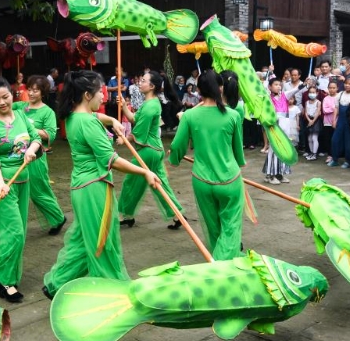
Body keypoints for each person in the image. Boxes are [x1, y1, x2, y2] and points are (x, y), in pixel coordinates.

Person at [43, 71, 160, 299]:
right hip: (95, 189)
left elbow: (94, 118)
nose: (104, 98)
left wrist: (113, 119)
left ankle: (56, 283)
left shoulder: (73, 117)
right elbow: (112, 160)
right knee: (103, 243)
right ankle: (114, 293)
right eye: (100, 93)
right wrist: (144, 171)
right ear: (87, 95)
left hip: (81, 188)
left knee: (82, 240)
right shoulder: (87, 123)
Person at [0, 76, 43, 303]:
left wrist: (31, 150)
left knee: (16, 232)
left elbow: (35, 138)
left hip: (23, 181)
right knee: (14, 233)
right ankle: (6, 281)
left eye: (5, 97)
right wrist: (0, 183)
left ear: (12, 95)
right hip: (3, 185)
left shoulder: (22, 116)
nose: (2, 102)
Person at [169, 70, 245, 260]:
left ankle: (218, 259)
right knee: (231, 227)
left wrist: (175, 159)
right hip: (230, 179)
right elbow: (238, 154)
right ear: (220, 88)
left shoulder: (189, 116)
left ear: (198, 90)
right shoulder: (233, 115)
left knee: (213, 228)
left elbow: (178, 147)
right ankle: (224, 267)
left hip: (202, 180)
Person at [117, 71, 185, 230]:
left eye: (144, 81)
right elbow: (134, 119)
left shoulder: (151, 107)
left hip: (148, 151)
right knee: (160, 184)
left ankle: (126, 215)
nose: (140, 83)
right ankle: (177, 214)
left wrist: (125, 139)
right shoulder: (149, 103)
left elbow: (140, 132)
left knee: (131, 182)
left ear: (152, 86)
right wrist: (125, 106)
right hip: (154, 150)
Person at [13, 75, 67, 235]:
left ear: (42, 92)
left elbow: (50, 134)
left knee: (39, 192)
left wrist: (29, 129)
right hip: (18, 155)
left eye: (35, 91)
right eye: (29, 89)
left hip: (36, 157)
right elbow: (1, 107)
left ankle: (58, 217)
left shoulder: (47, 112)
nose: (31, 93)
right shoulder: (20, 107)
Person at [262, 78, 303, 183]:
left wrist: (306, 83)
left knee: (285, 148)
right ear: (270, 87)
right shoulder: (267, 97)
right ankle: (270, 175)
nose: (278, 86)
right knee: (274, 149)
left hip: (286, 124)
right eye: (275, 84)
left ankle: (280, 174)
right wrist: (269, 73)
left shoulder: (285, 95)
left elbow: (297, 89)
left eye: (279, 84)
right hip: (274, 126)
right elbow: (263, 87)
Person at [328, 77, 350, 168]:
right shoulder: (340, 94)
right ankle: (335, 159)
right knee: (334, 140)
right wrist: (334, 120)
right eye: (346, 83)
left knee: (348, 142)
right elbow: (336, 108)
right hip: (340, 120)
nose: (347, 85)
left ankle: (348, 161)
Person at [303, 86, 322, 160]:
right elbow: (306, 112)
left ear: (317, 93)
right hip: (309, 120)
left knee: (314, 137)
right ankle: (311, 153)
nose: (312, 94)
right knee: (309, 138)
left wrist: (313, 121)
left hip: (316, 120)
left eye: (313, 92)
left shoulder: (318, 102)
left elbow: (317, 112)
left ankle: (314, 154)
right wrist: (309, 120)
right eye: (310, 92)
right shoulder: (306, 102)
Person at [321, 81, 338, 160]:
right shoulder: (326, 98)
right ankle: (330, 155)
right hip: (327, 122)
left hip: (337, 121)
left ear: (337, 88)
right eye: (330, 88)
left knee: (336, 139)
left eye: (333, 88)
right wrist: (334, 108)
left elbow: (340, 109)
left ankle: (336, 155)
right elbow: (325, 110)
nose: (332, 89)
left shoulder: (339, 97)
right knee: (328, 139)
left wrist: (331, 108)